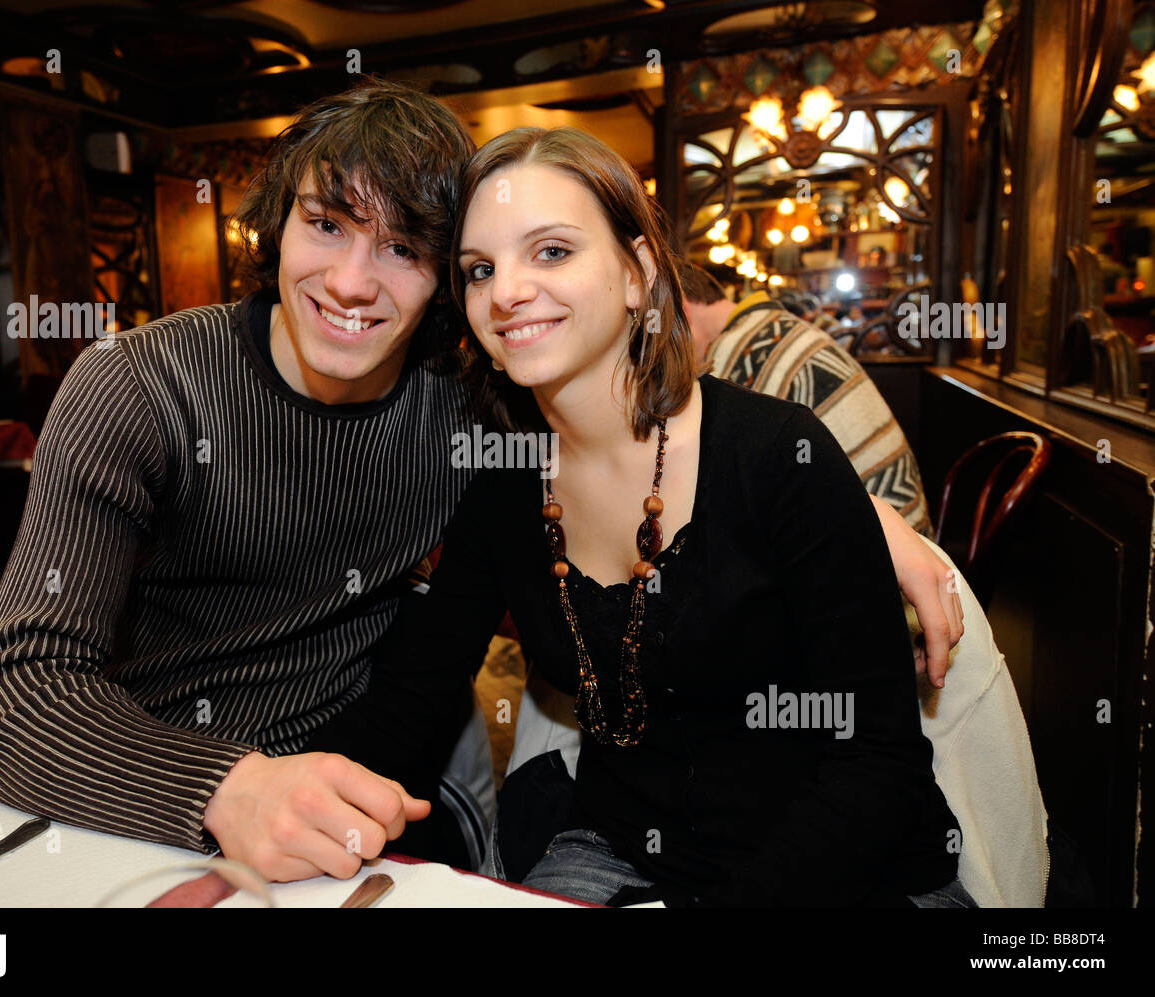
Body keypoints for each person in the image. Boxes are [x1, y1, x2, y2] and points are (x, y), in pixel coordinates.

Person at [0, 80, 962, 887]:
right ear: (274, 229)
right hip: (173, 786)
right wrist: (239, 802)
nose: (354, 281)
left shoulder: (479, 419)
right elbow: (18, 691)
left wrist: (855, 513)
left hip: (793, 863)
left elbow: (868, 760)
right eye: (326, 226)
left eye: (407, 249)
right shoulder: (150, 388)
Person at [309, 126, 971, 906]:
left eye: (551, 251)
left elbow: (879, 765)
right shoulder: (505, 480)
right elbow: (413, 693)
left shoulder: (776, 458)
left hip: (841, 867)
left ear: (638, 273)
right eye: (479, 269)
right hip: (621, 848)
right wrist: (260, 798)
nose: (507, 291)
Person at [681, 263, 934, 537]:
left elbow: (717, 492)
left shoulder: (736, 354)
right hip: (909, 530)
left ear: (683, 310)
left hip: (883, 551)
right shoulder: (771, 326)